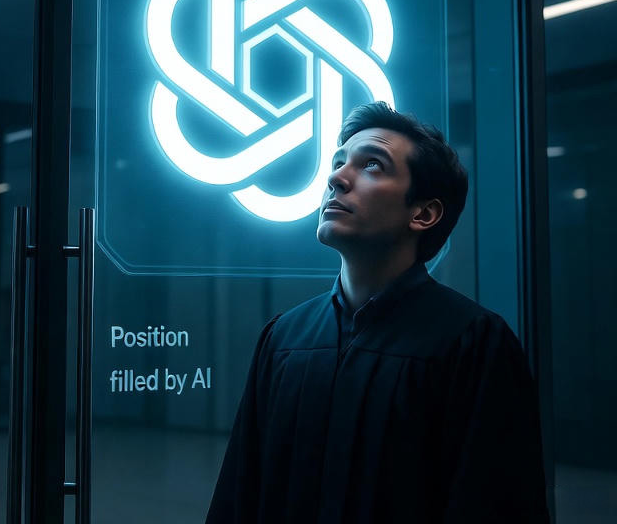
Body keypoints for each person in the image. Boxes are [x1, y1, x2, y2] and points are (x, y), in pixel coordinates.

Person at [206, 102, 548, 523]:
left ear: (423, 213)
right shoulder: (284, 338)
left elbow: (496, 506)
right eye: (338, 163)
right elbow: (238, 497)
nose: (336, 178)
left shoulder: (472, 342)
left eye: (372, 164)